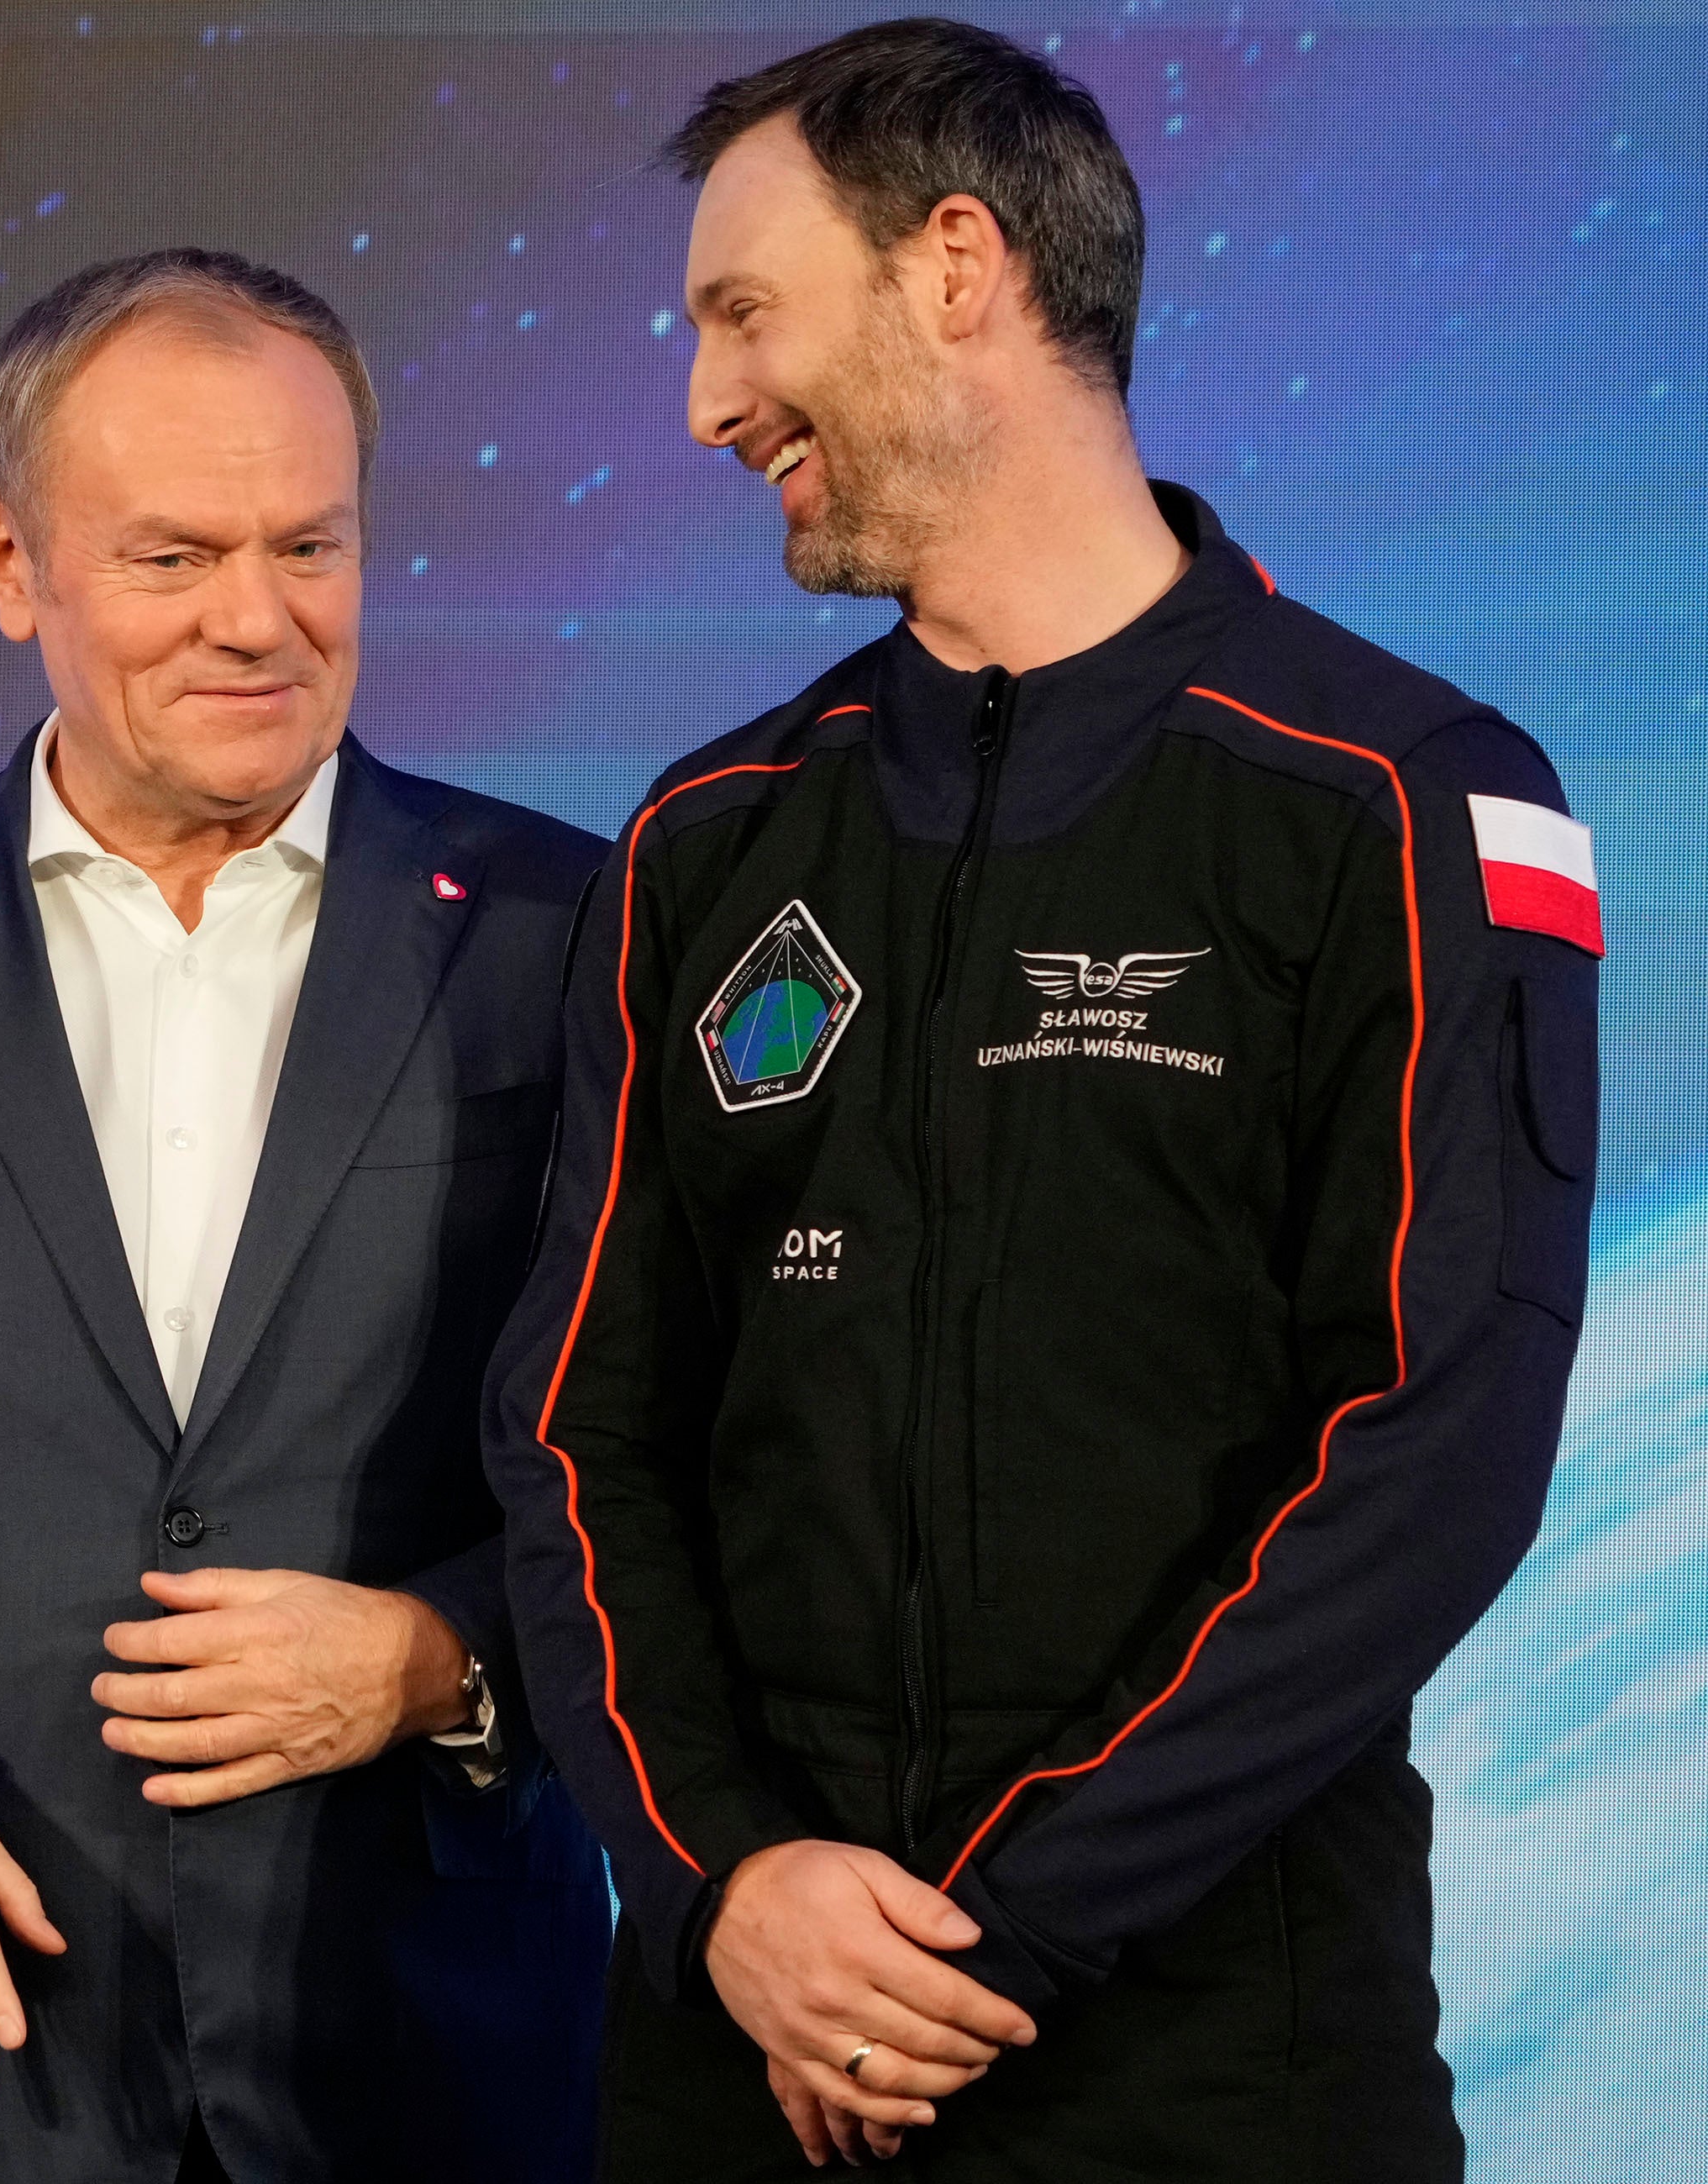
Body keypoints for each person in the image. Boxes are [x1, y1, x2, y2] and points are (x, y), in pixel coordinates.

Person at [485, 20, 1596, 2180]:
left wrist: (991, 1939)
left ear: (958, 265)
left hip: (1217, 2072)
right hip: (747, 2063)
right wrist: (731, 1888)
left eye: (742, 311)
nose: (707, 404)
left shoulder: (1409, 798)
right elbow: (576, 1431)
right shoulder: (705, 840)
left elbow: (1436, 1436)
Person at [0, 249, 612, 2182]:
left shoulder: (573, 932)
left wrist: (446, 1661)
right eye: (175, 555)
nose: (256, 620)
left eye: (310, 547)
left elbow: (685, 1453)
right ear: (13, 564)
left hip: (444, 2055)